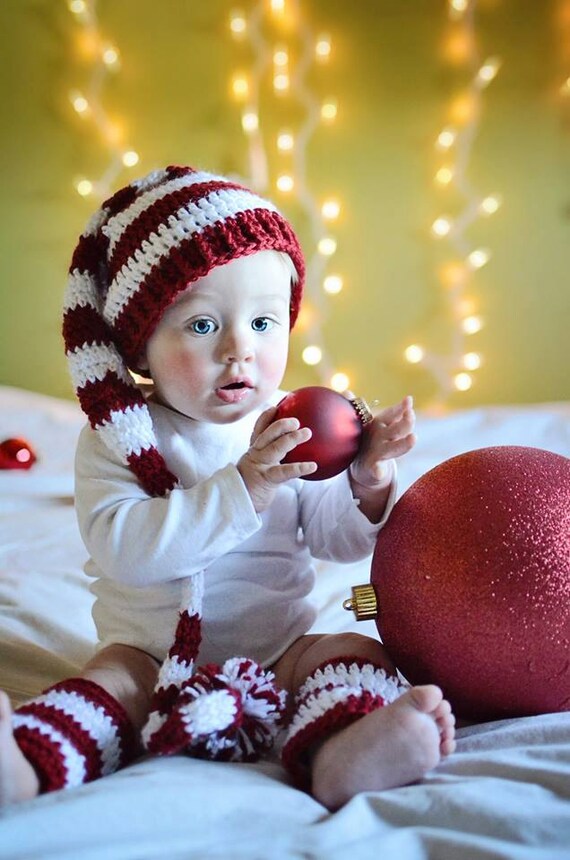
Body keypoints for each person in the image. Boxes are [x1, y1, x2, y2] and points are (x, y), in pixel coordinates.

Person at [0, 166, 455, 810]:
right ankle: (27, 759)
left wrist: (368, 476)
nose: (241, 350)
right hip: (151, 655)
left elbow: (336, 541)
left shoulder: (285, 427)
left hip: (281, 649)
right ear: (140, 349)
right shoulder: (121, 437)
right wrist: (242, 488)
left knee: (357, 648)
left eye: (265, 324)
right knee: (108, 688)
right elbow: (126, 550)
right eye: (205, 326)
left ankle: (344, 749)